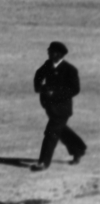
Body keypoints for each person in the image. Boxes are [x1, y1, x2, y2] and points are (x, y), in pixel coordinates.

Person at [31, 41, 86, 171]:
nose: (48, 53)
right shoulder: (47, 65)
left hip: (62, 109)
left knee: (51, 133)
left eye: (51, 51)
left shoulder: (70, 70)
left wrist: (55, 93)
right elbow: (38, 75)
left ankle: (43, 162)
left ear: (58, 54)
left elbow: (75, 89)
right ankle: (79, 149)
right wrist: (40, 88)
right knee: (60, 130)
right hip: (49, 107)